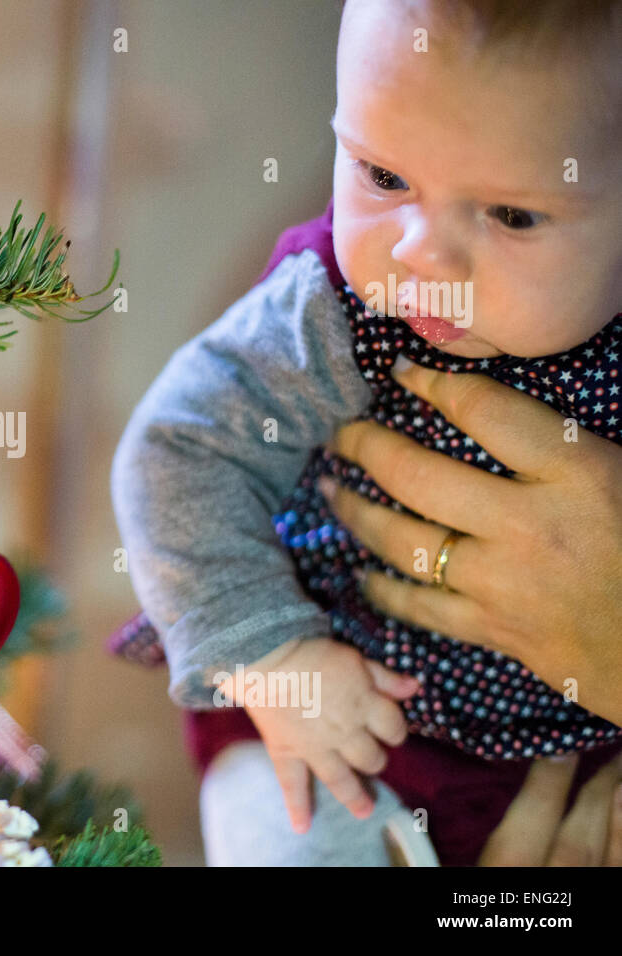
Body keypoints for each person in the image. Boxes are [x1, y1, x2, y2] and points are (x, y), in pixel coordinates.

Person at [110, 0, 622, 865]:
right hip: (354, 735)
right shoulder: (332, 316)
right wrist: (273, 658)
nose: (423, 253)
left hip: (581, 773)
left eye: (513, 216)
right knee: (287, 822)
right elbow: (179, 448)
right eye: (383, 178)